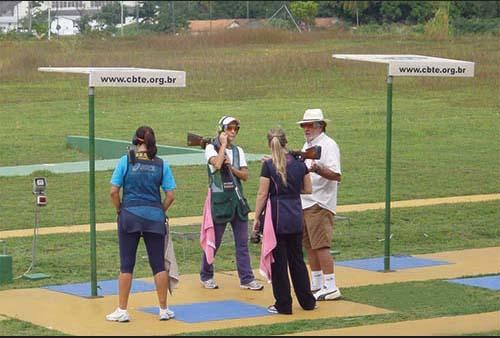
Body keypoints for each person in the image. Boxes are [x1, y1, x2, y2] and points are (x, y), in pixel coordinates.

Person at [106, 126, 176, 322]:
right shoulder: (161, 164)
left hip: (129, 216)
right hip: (154, 217)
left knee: (126, 265)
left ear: (136, 141)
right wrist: (160, 210)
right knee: (158, 265)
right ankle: (163, 309)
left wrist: (120, 209)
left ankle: (122, 309)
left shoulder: (125, 161)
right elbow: (170, 195)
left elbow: (113, 191)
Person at [253, 127, 316, 314]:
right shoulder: (299, 164)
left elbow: (262, 193)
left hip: (276, 218)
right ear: (285, 142)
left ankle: (283, 304)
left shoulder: (269, 166)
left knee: (278, 263)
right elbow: (308, 189)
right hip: (295, 215)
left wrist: (257, 217)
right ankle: (307, 301)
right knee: (297, 260)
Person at [200, 116, 263, 291]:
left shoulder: (238, 151)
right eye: (229, 129)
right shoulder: (210, 148)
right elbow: (218, 164)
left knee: (242, 243)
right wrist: (221, 147)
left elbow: (245, 175)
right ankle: (206, 275)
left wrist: (232, 168)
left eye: (235, 129)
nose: (233, 132)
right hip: (220, 201)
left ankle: (246, 279)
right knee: (214, 241)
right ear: (221, 130)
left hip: (237, 200)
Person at [297, 109, 342, 301]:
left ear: (320, 126)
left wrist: (318, 168)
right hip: (306, 201)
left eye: (310, 125)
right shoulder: (309, 145)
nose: (306, 128)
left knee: (321, 245)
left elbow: (336, 175)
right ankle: (316, 283)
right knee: (309, 244)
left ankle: (330, 285)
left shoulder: (328, 145)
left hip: (320, 201)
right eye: (304, 125)